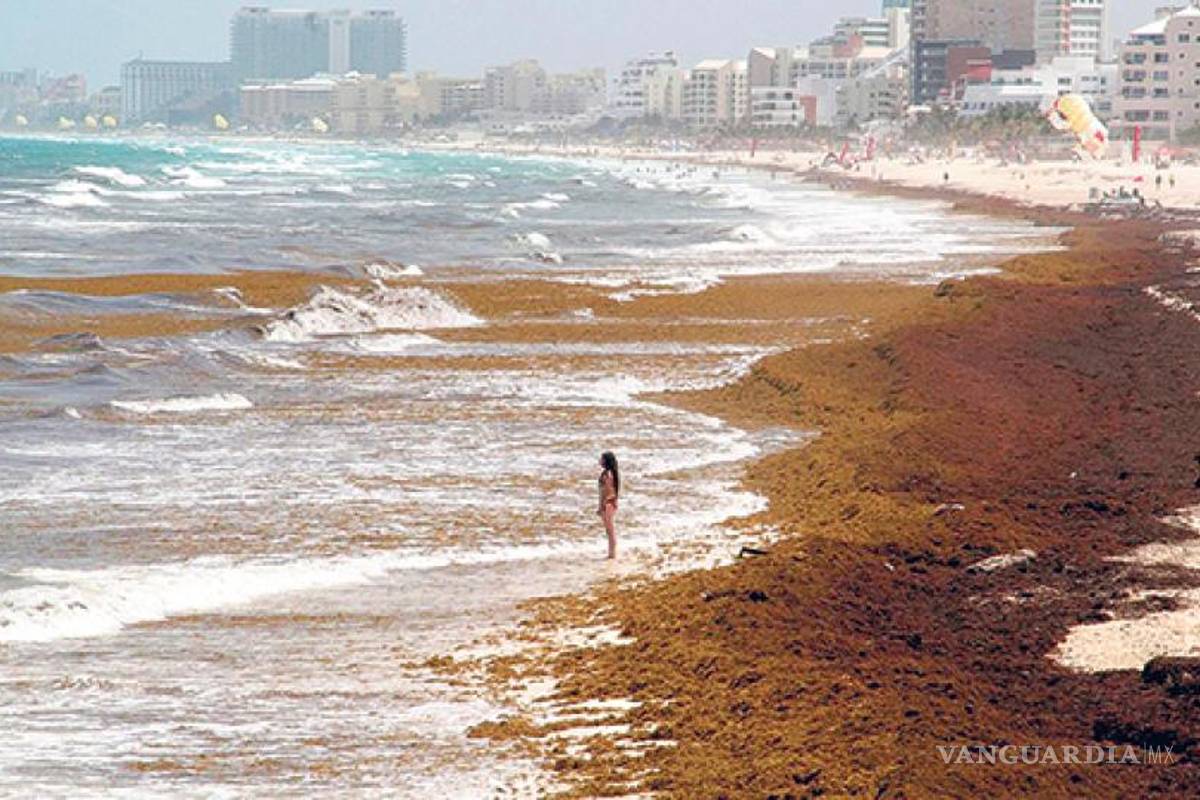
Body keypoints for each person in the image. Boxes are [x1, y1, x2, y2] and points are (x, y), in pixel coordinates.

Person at [597, 451, 620, 560]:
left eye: (601, 459)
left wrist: (602, 506)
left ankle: (612, 554)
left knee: (610, 530)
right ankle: (611, 552)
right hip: (609, 503)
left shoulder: (607, 474)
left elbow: (606, 491)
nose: (599, 460)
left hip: (608, 504)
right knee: (609, 530)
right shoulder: (610, 473)